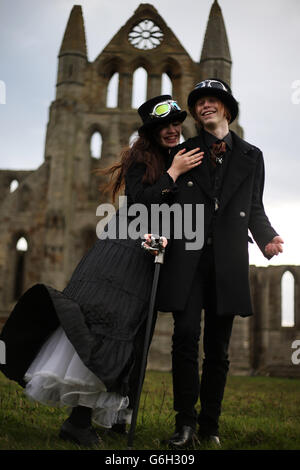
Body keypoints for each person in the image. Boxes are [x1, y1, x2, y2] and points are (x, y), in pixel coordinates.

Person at [0, 94, 203, 447]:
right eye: (164, 126)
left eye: (176, 124)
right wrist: (173, 173)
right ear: (151, 132)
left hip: (146, 260)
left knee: (133, 335)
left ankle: (117, 415)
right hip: (119, 256)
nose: (172, 130)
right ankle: (77, 421)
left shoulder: (180, 158)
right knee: (104, 331)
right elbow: (141, 203)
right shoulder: (141, 161)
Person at [154, 79, 284, 448]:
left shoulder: (251, 155)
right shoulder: (184, 152)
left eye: (212, 100)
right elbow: (166, 200)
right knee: (184, 338)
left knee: (218, 348)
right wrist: (173, 172)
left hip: (227, 259)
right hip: (187, 258)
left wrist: (267, 238)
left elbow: (254, 207)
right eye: (199, 102)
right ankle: (185, 425)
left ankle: (210, 427)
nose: (205, 106)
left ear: (227, 108)